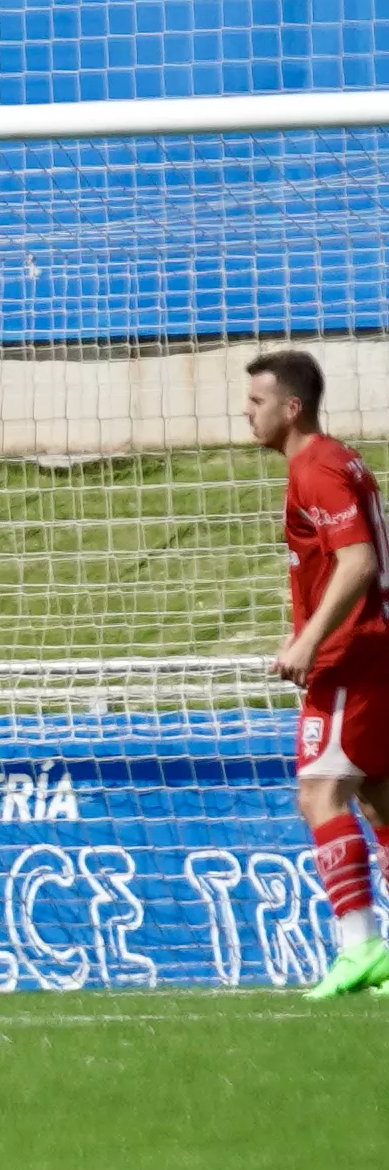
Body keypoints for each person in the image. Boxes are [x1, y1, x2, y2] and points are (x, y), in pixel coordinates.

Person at [245, 347, 389, 999]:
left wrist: (309, 641)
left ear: (290, 407)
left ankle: (359, 948)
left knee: (319, 793)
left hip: (351, 658)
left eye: (256, 401)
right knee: (379, 798)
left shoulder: (316, 469)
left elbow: (356, 560)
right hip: (371, 649)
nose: (247, 412)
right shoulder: (337, 459)